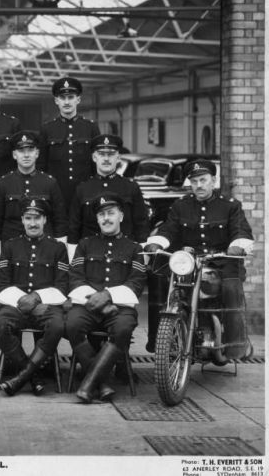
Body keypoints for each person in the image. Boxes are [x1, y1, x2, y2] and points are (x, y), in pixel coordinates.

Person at [145, 160, 254, 360]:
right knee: (160, 279)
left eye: (203, 180)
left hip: (222, 263)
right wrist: (158, 242)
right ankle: (159, 342)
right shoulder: (180, 206)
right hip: (190, 263)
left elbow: (241, 230)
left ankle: (235, 346)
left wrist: (237, 245)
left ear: (213, 180)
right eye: (194, 181)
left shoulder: (230, 206)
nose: (199, 185)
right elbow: (169, 229)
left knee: (231, 289)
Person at [65, 193, 147, 403]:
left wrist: (108, 295)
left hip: (119, 307)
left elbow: (136, 283)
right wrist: (98, 302)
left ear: (121, 216)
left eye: (111, 213)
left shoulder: (134, 248)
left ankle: (89, 384)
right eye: (101, 215)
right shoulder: (85, 244)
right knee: (72, 324)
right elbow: (75, 278)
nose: (106, 219)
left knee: (122, 329)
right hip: (88, 305)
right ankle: (101, 384)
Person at [0, 198, 70, 396]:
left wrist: (36, 297)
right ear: (22, 220)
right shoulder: (10, 246)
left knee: (57, 325)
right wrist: (24, 301)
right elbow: (1, 284)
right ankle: (31, 375)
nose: (32, 223)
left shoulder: (58, 248)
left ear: (45, 220)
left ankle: (21, 377)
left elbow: (62, 285)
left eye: (37, 218)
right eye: (28, 218)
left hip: (47, 306)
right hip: (15, 306)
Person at [0, 130, 67, 257]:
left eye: (30, 150)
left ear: (37, 153)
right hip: (11, 251)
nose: (26, 155)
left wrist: (59, 253)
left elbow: (60, 221)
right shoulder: (3, 184)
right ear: (14, 155)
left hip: (45, 251)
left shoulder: (50, 183)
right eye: (21, 151)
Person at [37, 76, 100, 209]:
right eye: (62, 98)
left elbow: (96, 165)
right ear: (56, 101)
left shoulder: (91, 127)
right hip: (56, 195)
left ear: (78, 99)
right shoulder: (47, 129)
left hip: (85, 194)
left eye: (70, 97)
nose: (67, 102)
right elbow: (41, 165)